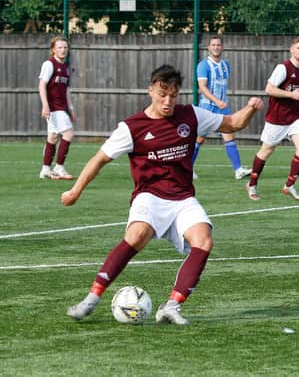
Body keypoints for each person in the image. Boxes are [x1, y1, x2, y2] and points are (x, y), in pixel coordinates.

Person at [63, 64, 263, 325]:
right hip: (150, 196)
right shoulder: (132, 127)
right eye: (162, 93)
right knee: (136, 236)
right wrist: (75, 190)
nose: (167, 101)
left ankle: (171, 306)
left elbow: (232, 123)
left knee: (204, 241)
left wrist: (250, 108)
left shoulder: (191, 115)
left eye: (173, 94)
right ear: (150, 90)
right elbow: (99, 159)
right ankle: (91, 299)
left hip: (182, 197)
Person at [245, 35, 299, 201]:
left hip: (295, 117)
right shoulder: (283, 67)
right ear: (291, 50)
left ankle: (289, 185)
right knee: (266, 151)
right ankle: (252, 184)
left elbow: (296, 92)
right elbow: (269, 89)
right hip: (277, 118)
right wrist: (291, 94)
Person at [192, 35, 252, 181]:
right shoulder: (203, 65)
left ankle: (238, 170)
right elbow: (202, 88)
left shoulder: (226, 65)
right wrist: (216, 101)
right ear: (209, 47)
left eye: (218, 45)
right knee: (198, 139)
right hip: (207, 107)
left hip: (222, 108)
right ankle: (187, 169)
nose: (216, 47)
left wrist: (222, 102)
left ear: (222, 47)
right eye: (213, 45)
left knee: (229, 134)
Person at [38, 36, 76, 180]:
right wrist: (45, 105)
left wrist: (71, 109)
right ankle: (59, 167)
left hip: (61, 107)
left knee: (53, 138)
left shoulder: (66, 67)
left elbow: (66, 90)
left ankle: (45, 169)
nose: (63, 50)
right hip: (54, 107)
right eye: (59, 47)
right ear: (53, 49)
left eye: (65, 47)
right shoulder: (49, 64)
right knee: (69, 134)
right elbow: (42, 85)